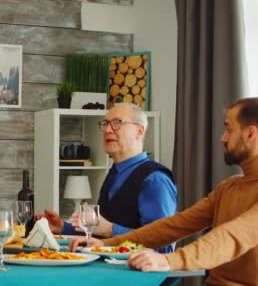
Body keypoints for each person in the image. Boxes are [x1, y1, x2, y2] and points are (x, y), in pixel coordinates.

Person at [71, 97, 258, 286]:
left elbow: (236, 235)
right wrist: (106, 244)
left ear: (251, 133)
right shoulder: (230, 187)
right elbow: (174, 225)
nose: (222, 137)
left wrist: (169, 260)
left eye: (228, 129)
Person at [39, 103, 177, 253]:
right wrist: (62, 227)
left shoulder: (155, 179)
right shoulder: (115, 173)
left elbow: (163, 246)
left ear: (139, 131)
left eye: (117, 123)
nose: (107, 130)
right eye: (105, 124)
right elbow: (99, 234)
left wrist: (111, 230)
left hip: (138, 275)